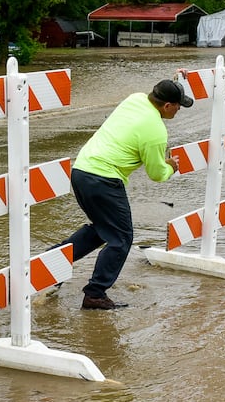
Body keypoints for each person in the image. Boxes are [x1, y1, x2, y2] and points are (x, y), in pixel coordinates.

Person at [58, 78, 192, 310]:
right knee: (121, 238)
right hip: (104, 179)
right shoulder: (156, 131)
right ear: (167, 105)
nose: (180, 109)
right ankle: (95, 294)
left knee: (103, 230)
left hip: (81, 171)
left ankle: (48, 267)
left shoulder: (135, 98)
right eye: (178, 105)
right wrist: (171, 165)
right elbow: (157, 174)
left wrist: (177, 80)